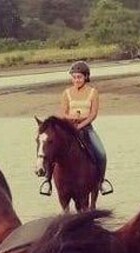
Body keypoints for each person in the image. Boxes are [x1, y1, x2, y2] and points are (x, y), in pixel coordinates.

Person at [60, 60, 113, 195]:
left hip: (86, 127)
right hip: (70, 128)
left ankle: (101, 181)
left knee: (101, 153)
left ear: (86, 77)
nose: (76, 80)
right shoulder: (66, 93)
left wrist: (81, 124)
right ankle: (48, 180)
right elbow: (63, 113)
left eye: (79, 77)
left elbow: (93, 114)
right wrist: (71, 120)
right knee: (53, 150)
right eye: (74, 77)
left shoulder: (93, 92)